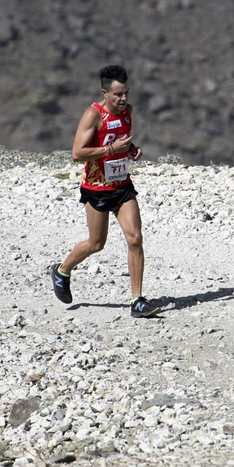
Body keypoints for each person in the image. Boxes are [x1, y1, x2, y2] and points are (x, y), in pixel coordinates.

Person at [49, 65, 163, 317]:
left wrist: (131, 149)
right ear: (105, 93)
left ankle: (137, 300)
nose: (123, 100)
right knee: (96, 243)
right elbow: (77, 153)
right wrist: (111, 151)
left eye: (126, 94)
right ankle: (61, 270)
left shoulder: (127, 112)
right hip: (96, 188)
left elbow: (120, 138)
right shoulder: (93, 115)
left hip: (122, 185)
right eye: (118, 95)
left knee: (135, 238)